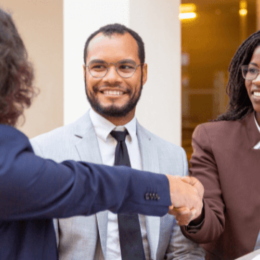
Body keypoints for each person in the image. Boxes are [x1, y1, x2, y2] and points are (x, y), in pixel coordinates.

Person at [0, 8, 203, 260]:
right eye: (98, 67)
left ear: (145, 72)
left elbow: (182, 250)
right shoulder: (42, 151)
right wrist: (163, 187)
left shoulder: (172, 155)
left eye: (125, 67)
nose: (112, 78)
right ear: (84, 72)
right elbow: (85, 185)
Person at [181, 30, 260, 260]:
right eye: (253, 70)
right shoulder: (213, 139)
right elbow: (210, 225)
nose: (256, 80)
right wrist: (195, 210)